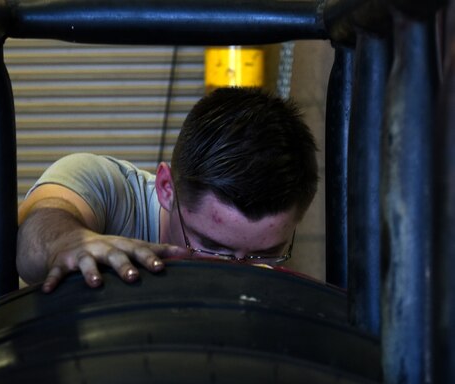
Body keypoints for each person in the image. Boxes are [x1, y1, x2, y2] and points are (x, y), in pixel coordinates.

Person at [17, 87, 318, 293]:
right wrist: (66, 241)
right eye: (212, 249)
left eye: (263, 254)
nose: (236, 274)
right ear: (166, 188)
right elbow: (34, 235)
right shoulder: (108, 188)